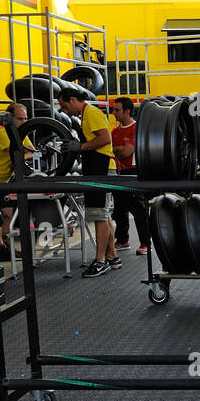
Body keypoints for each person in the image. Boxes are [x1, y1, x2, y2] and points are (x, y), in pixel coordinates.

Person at [57, 87, 119, 276]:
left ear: (74, 99)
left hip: (101, 169)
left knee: (99, 215)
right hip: (98, 168)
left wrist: (80, 146)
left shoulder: (91, 113)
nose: (65, 111)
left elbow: (105, 138)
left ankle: (100, 261)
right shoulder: (86, 114)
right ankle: (112, 256)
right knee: (104, 216)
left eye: (65, 106)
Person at [0, 102, 33, 258]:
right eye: (20, 119)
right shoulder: (1, 134)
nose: (24, 122)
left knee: (10, 214)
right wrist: (20, 157)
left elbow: (31, 152)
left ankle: (5, 246)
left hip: (5, 179)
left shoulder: (22, 134)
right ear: (10, 119)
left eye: (25, 119)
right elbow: (17, 152)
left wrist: (20, 159)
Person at [109, 97, 150, 255]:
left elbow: (126, 152)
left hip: (133, 173)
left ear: (127, 111)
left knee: (138, 209)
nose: (113, 113)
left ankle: (146, 243)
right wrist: (119, 148)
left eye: (117, 110)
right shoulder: (114, 132)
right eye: (113, 109)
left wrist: (117, 149)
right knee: (119, 210)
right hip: (119, 173)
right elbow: (114, 151)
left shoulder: (136, 129)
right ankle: (122, 240)